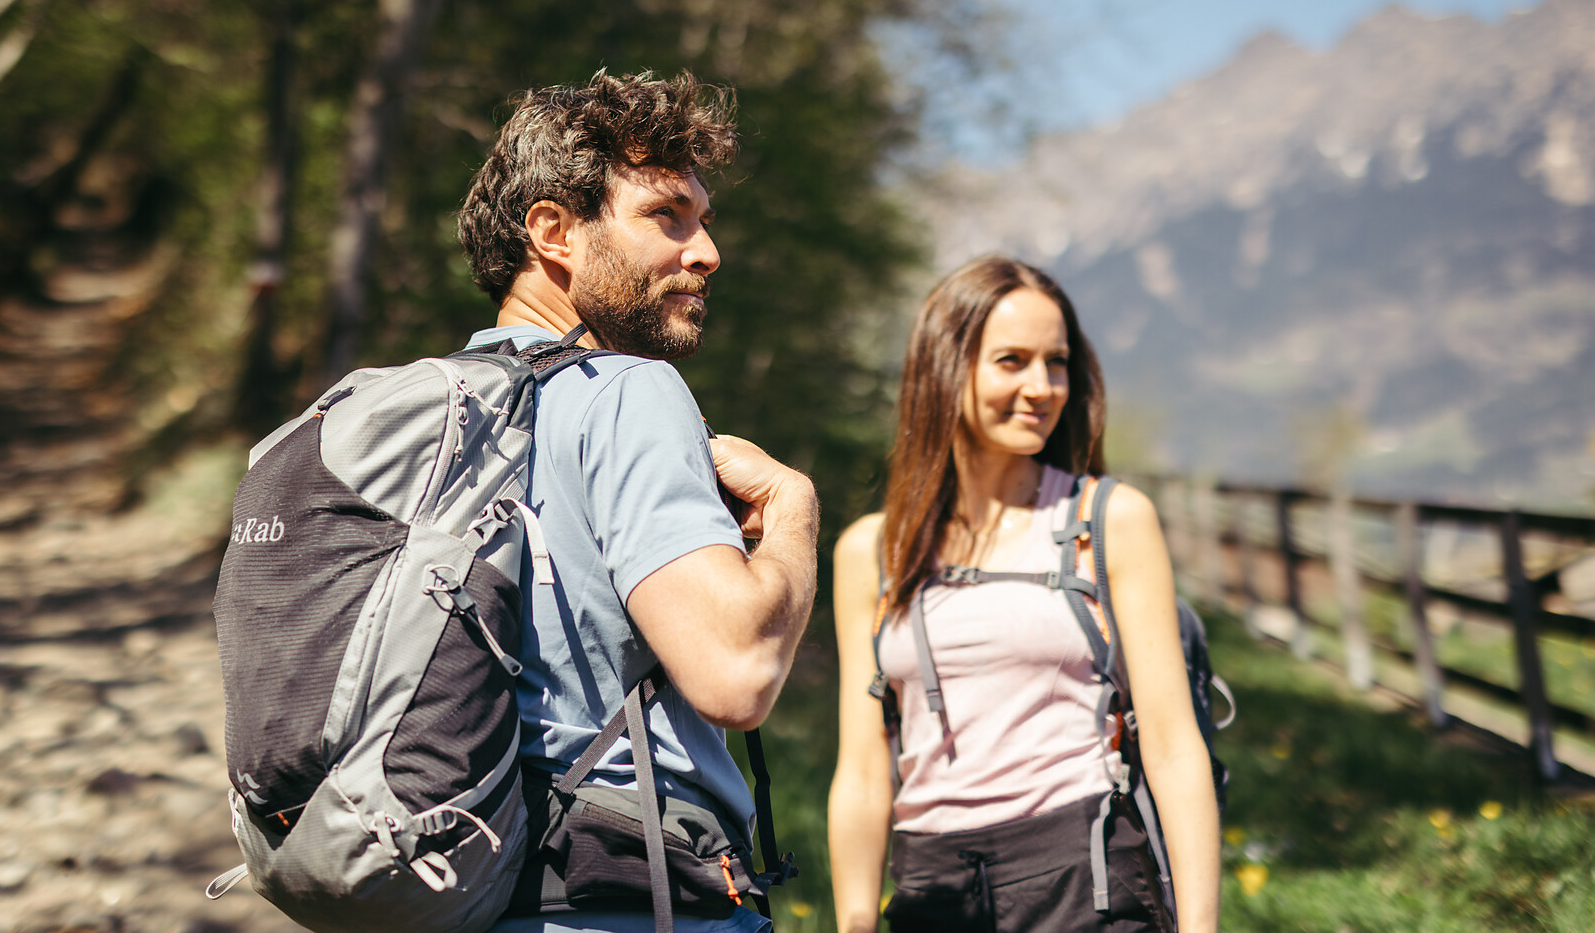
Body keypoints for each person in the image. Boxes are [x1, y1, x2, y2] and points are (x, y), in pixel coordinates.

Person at [457, 70, 820, 933]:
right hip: (636, 896)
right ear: (555, 233)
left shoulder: (446, 412)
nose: (706, 252)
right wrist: (793, 508)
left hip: (476, 890)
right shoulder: (626, 391)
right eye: (667, 216)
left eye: (703, 220)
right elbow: (736, 674)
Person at [827, 257, 1221, 933]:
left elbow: (1173, 742)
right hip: (929, 887)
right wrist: (856, 920)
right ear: (945, 369)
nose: (1042, 387)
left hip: (1080, 873)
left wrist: (1199, 926)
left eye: (1057, 363)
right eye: (1012, 361)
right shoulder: (871, 551)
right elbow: (862, 772)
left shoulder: (1108, 520)